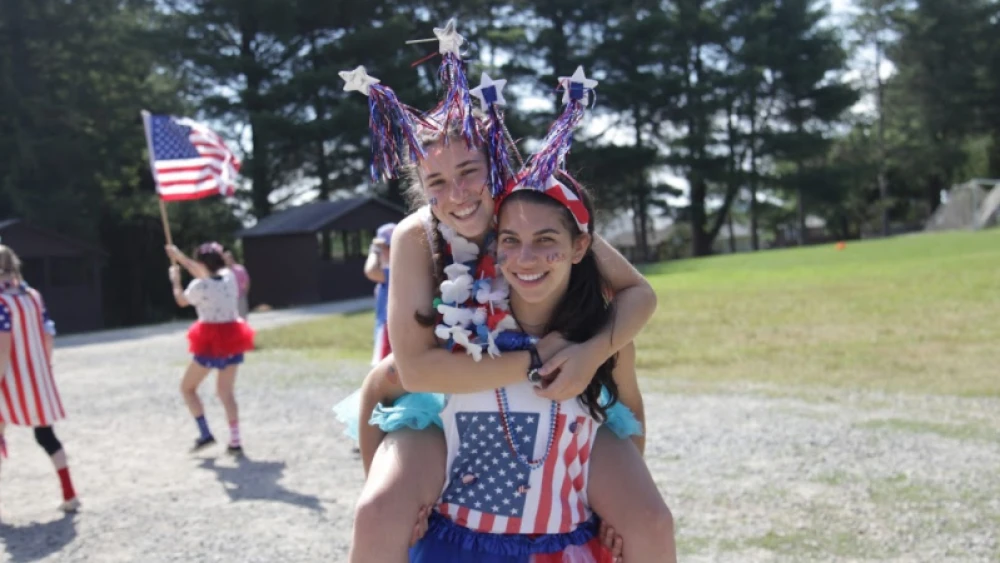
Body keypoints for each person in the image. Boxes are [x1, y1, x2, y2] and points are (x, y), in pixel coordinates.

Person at [340, 20, 673, 563]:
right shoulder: (417, 236)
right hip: (445, 400)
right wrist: (539, 359)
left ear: (496, 161)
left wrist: (588, 353)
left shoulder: (534, 209)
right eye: (437, 183)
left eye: (470, 171)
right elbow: (416, 371)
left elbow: (639, 294)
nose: (460, 195)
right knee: (378, 513)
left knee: (651, 522)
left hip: (562, 395)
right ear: (421, 190)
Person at [0, 244, 80, 513]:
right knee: (46, 435)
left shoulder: (1, 302)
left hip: (8, 380)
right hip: (36, 375)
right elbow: (48, 334)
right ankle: (70, 493)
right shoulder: (33, 296)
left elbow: (3, 344)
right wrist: (45, 366)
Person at [166, 242, 255, 455]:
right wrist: (181, 258)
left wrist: (175, 280)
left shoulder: (199, 286)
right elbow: (203, 272)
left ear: (200, 263)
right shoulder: (230, 277)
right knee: (226, 392)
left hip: (209, 339)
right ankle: (235, 440)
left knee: (187, 388)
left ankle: (205, 433)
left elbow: (181, 300)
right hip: (233, 336)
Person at [365, 223, 395, 365]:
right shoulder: (390, 271)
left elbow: (370, 271)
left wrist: (373, 252)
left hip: (389, 330)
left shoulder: (394, 272)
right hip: (385, 329)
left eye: (385, 247)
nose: (382, 251)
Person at [223, 250, 251, 319]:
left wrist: (244, 293)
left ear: (232, 258)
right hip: (227, 300)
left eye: (229, 258)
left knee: (242, 319)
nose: (228, 260)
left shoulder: (240, 269)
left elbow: (247, 281)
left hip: (240, 298)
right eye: (226, 258)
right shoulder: (221, 271)